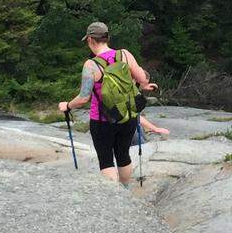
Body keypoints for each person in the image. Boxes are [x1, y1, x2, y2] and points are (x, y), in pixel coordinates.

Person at [58, 22, 157, 187]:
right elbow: (142, 79)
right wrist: (144, 85)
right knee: (123, 155)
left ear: (90, 39)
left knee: (106, 160)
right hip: (127, 116)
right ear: (107, 37)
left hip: (103, 120)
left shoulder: (91, 65)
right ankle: (125, 192)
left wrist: (67, 106)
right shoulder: (124, 54)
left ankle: (114, 197)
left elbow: (83, 98)